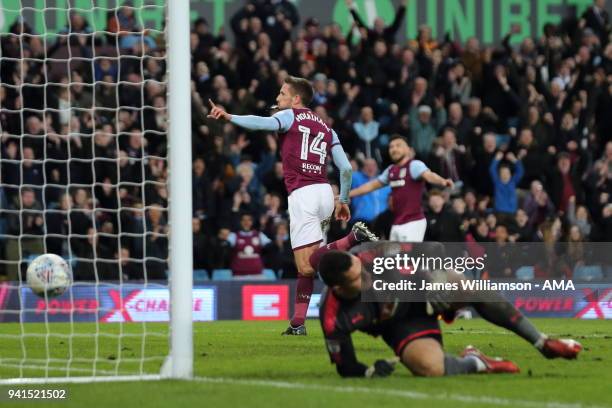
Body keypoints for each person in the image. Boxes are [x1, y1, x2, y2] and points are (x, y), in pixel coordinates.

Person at [313, 238, 582, 378]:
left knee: (468, 286)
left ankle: (542, 343)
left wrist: (434, 280)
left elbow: (432, 248)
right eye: (358, 280)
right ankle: (477, 361)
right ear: (338, 288)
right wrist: (370, 372)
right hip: (399, 325)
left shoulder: (371, 253)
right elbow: (346, 367)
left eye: (363, 270)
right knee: (430, 369)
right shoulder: (333, 316)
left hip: (421, 290)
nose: (367, 277)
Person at [207, 75, 353, 335]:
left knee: (306, 265)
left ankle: (350, 240)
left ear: (296, 99)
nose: (277, 98)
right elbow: (346, 168)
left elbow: (262, 124)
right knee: (307, 267)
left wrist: (230, 116)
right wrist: (342, 200)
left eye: (282, 94)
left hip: (303, 195)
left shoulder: (291, 116)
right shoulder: (328, 129)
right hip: (324, 192)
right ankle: (298, 323)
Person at [349, 135, 453, 242]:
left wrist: (442, 181)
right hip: (397, 222)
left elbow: (428, 175)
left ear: (408, 149)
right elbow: (371, 186)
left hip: (413, 222)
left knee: (407, 257)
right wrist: (347, 195)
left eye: (398, 145)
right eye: (391, 147)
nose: (394, 149)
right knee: (394, 258)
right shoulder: (391, 170)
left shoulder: (414, 165)